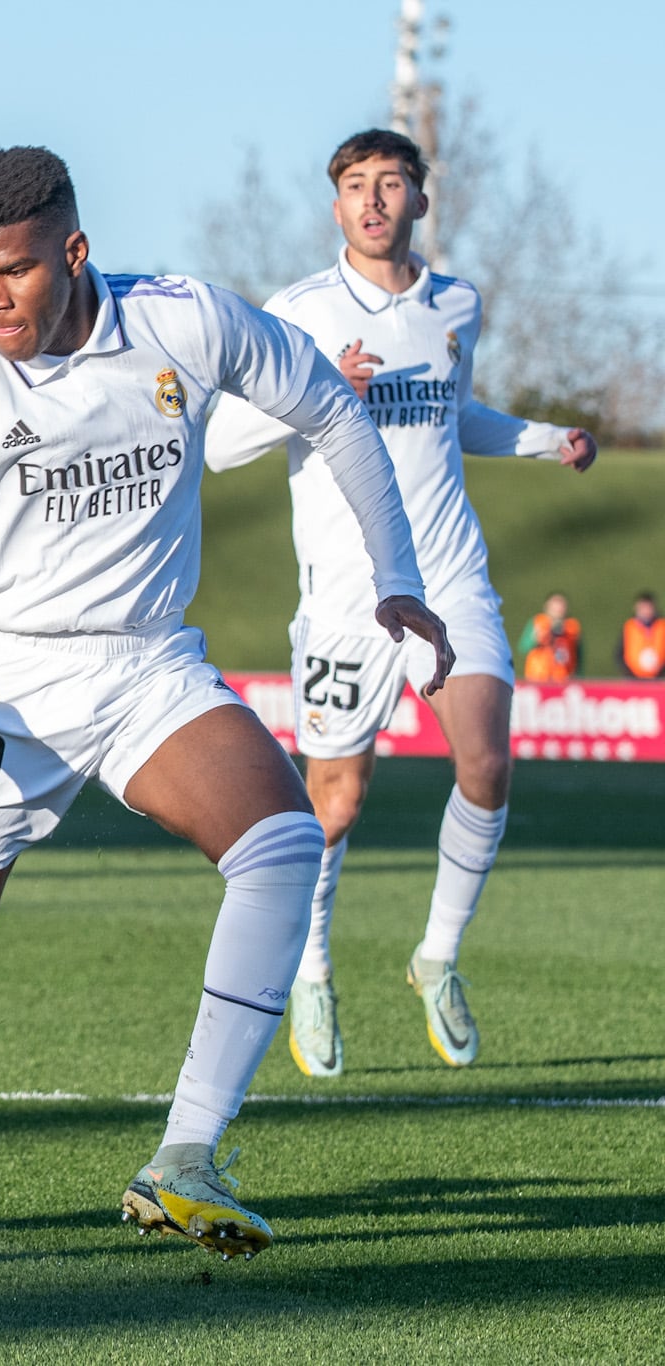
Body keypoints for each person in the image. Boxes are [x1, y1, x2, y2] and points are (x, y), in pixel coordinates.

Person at [0, 146, 449, 1262]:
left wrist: (395, 573)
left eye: (13, 274)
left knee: (278, 844)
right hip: (2, 691)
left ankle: (183, 1157)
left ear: (72, 252)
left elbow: (332, 413)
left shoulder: (184, 323)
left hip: (145, 667)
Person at [204, 129, 598, 1078]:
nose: (373, 199)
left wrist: (545, 439)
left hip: (447, 575)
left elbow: (450, 410)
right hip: (345, 597)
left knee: (489, 761)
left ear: (421, 200)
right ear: (334, 205)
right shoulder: (296, 314)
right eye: (354, 185)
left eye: (390, 183)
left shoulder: (456, 302)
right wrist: (314, 394)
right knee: (333, 805)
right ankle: (313, 970)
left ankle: (437, 959)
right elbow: (219, 443)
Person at [517, 592, 582, 683]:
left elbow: (578, 653)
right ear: (547, 607)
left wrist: (578, 675)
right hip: (537, 678)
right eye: (555, 605)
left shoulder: (572, 626)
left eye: (561, 605)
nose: (558, 609)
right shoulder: (537, 622)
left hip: (564, 678)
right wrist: (535, 639)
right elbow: (523, 647)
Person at [620, 592, 663, 680]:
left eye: (648, 607)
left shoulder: (661, 626)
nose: (646, 611)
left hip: (658, 679)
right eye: (643, 607)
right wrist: (629, 674)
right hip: (634, 678)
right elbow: (620, 653)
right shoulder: (629, 626)